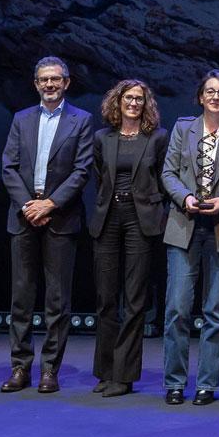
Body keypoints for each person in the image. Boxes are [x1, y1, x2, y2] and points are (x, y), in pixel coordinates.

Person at [159, 71, 219, 405]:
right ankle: (175, 382)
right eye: (210, 91)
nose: (215, 97)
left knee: (215, 311)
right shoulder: (183, 127)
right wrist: (184, 197)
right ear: (200, 97)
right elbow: (168, 172)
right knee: (177, 309)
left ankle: (206, 384)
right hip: (184, 223)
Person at [0, 56, 95, 394]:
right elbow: (8, 167)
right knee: (21, 298)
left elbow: (82, 170)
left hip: (60, 217)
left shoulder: (81, 120)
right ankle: (20, 367)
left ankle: (50, 369)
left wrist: (50, 204)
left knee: (57, 300)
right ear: (36, 84)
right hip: (24, 215)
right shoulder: (21, 118)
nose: (50, 84)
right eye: (44, 80)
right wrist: (29, 205)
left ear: (66, 83)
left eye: (56, 79)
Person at [86, 79, 168, 397]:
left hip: (140, 219)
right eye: (128, 98)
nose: (133, 103)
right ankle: (105, 371)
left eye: (139, 99)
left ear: (146, 104)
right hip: (108, 217)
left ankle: (124, 375)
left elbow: (163, 179)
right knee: (106, 299)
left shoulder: (157, 138)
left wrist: (151, 205)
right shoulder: (102, 138)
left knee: (134, 301)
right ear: (117, 102)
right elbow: (99, 176)